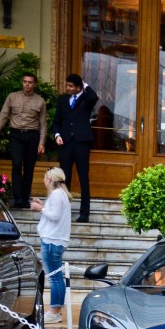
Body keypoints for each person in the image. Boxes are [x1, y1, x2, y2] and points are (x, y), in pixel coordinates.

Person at [0, 72, 48, 208]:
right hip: (16, 135)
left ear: (34, 84)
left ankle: (25, 198)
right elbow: (4, 115)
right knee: (16, 164)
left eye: (30, 82)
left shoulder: (40, 100)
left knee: (29, 168)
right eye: (25, 81)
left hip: (32, 135)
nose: (27, 84)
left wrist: (41, 143)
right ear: (22, 82)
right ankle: (17, 198)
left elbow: (43, 123)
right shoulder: (12, 97)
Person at [30, 167, 72, 324]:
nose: (44, 181)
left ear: (50, 180)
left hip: (52, 240)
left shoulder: (56, 195)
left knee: (54, 278)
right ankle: (56, 310)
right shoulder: (61, 194)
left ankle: (54, 311)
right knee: (57, 277)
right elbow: (55, 213)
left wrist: (40, 208)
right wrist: (44, 206)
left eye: (45, 178)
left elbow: (54, 216)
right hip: (56, 239)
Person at [54, 73, 97, 222]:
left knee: (83, 177)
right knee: (63, 177)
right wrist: (57, 135)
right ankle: (62, 211)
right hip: (65, 143)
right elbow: (57, 121)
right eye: (67, 85)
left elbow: (94, 96)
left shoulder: (86, 99)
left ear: (78, 88)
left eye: (71, 86)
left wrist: (83, 84)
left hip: (81, 143)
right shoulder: (62, 100)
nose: (67, 88)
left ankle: (84, 213)